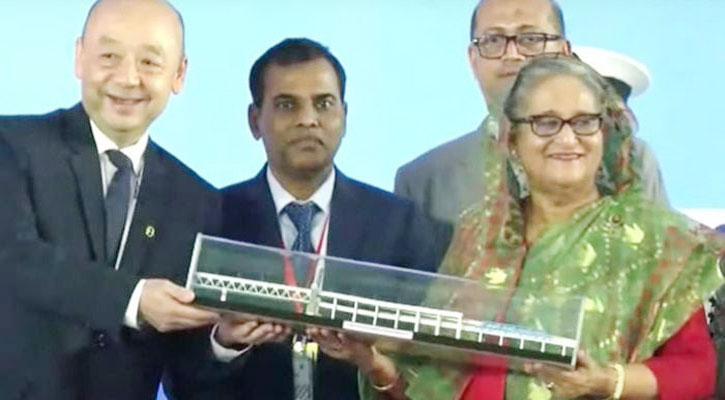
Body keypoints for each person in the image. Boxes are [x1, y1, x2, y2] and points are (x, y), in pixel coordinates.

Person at [346, 56, 724, 399]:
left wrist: (607, 381)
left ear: (605, 132)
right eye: (545, 122)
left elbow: (696, 371)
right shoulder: (478, 234)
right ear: (512, 140)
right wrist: (379, 367)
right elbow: (433, 374)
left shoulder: (654, 240)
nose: (567, 138)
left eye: (584, 121)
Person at [175, 38, 451, 400]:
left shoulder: (398, 223)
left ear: (344, 116)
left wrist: (373, 363)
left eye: (323, 103)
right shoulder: (210, 217)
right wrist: (224, 343)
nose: (308, 119)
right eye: (287, 105)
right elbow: (177, 372)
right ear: (255, 121)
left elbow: (431, 375)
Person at [0, 0, 223, 398]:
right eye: (109, 56)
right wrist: (133, 299)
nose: (128, 78)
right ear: (79, 57)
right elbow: (14, 258)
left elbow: (186, 369)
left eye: (149, 62)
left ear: (179, 74)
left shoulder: (197, 200)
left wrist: (226, 340)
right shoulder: (13, 146)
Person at [394, 0, 668, 225]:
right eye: (493, 40)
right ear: (472, 59)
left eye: (531, 38)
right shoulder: (425, 180)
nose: (512, 54)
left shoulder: (629, 159)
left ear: (564, 52)